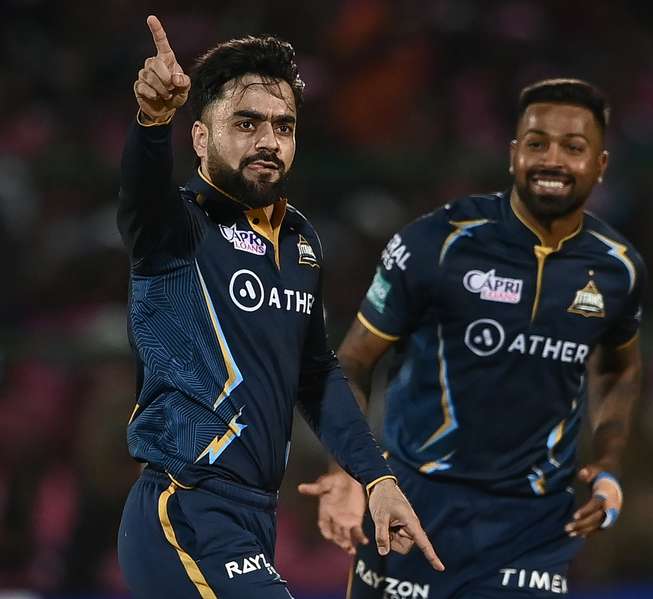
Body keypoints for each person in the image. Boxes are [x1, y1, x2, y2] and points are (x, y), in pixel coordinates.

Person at [116, 16, 443, 599]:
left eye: (283, 126)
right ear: (199, 137)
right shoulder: (178, 226)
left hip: (255, 518)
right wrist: (151, 123)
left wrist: (378, 478)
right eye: (246, 123)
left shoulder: (301, 242)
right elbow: (140, 199)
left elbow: (315, 376)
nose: (269, 139)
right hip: (185, 508)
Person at [299, 78, 645, 598]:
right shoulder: (436, 244)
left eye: (574, 147)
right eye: (536, 143)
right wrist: (351, 472)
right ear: (512, 155)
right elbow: (351, 363)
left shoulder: (618, 269)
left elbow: (620, 367)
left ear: (600, 164)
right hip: (413, 504)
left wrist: (610, 464)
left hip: (532, 526)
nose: (552, 159)